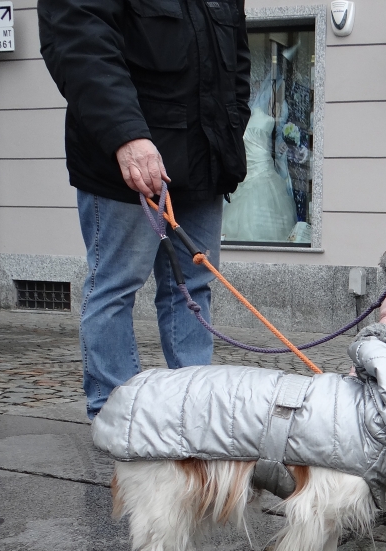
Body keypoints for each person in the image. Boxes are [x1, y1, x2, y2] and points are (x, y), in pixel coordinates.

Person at [38, 0, 250, 420]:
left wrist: (229, 128)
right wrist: (126, 135)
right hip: (124, 160)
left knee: (193, 288)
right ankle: (115, 416)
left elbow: (237, 61)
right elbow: (80, 45)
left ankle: (194, 413)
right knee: (116, 287)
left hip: (203, 158)